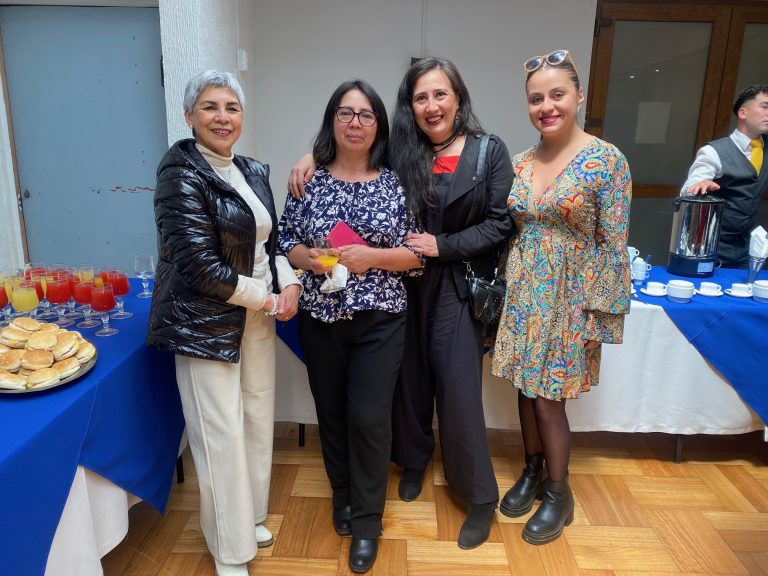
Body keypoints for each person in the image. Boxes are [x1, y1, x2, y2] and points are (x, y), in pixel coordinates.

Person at [287, 57, 515, 550]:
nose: (431, 106)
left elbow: (501, 223)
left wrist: (441, 246)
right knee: (407, 388)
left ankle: (479, 496)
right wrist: (310, 156)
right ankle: (413, 461)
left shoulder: (487, 150)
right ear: (409, 107)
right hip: (404, 288)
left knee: (457, 390)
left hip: (453, 280)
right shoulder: (403, 151)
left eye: (440, 94)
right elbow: (350, 145)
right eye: (420, 97)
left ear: (458, 98)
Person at [147, 69, 302, 576]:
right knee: (219, 435)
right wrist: (267, 299)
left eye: (231, 107)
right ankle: (229, 550)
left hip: (257, 314)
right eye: (210, 107)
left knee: (256, 419)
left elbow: (271, 244)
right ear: (189, 116)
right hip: (204, 323)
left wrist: (289, 284)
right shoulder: (180, 174)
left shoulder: (252, 170)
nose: (222, 117)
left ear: (242, 117)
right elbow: (198, 265)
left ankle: (248, 518)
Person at [278, 79, 423, 574]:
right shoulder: (307, 180)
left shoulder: (398, 182)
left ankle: (367, 521)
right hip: (321, 318)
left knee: (368, 418)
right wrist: (311, 259)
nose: (355, 122)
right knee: (332, 413)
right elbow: (286, 241)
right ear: (332, 121)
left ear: (378, 124)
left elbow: (417, 256)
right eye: (345, 113)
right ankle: (341, 495)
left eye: (365, 114)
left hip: (381, 318)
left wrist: (370, 257)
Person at [491, 50, 631, 545]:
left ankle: (558, 491)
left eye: (556, 95)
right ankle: (531, 470)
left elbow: (613, 245)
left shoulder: (607, 161)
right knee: (525, 390)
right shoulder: (520, 162)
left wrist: (601, 318)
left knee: (550, 399)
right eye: (536, 99)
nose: (546, 106)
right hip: (524, 292)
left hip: (572, 300)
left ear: (579, 96)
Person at [681, 85, 768, 268]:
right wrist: (700, 186)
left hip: (747, 251)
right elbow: (686, 193)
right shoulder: (714, 152)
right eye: (765, 107)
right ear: (743, 113)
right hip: (709, 249)